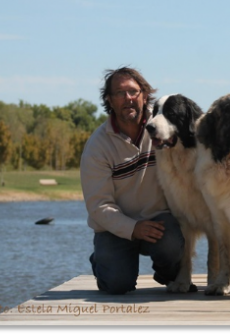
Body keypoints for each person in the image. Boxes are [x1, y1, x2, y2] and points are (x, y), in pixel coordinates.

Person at [80, 66, 185, 295]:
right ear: (109, 100)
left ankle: (167, 274)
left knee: (172, 246)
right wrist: (133, 228)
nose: (128, 98)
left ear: (144, 95)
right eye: (119, 93)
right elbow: (98, 206)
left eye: (133, 92)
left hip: (159, 221)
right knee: (118, 285)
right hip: (115, 227)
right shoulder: (97, 146)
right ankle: (102, 260)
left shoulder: (164, 128)